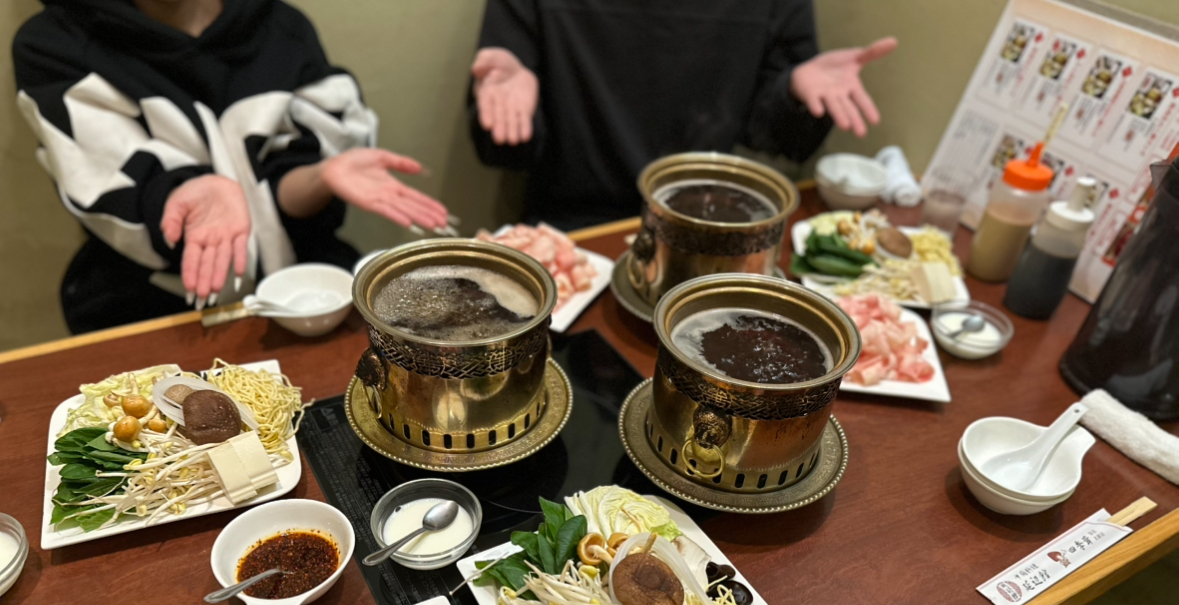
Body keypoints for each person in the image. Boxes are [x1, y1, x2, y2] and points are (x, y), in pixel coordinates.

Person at [13, 0, 450, 334]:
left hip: (303, 284)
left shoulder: (282, 26)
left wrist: (320, 176)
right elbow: (113, 181)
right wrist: (180, 194)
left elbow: (284, 182)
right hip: (150, 300)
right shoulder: (57, 44)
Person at [469, 0, 896, 229]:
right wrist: (505, 107)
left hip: (710, 226)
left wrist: (796, 93)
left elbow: (781, 141)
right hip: (572, 226)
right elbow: (503, 153)